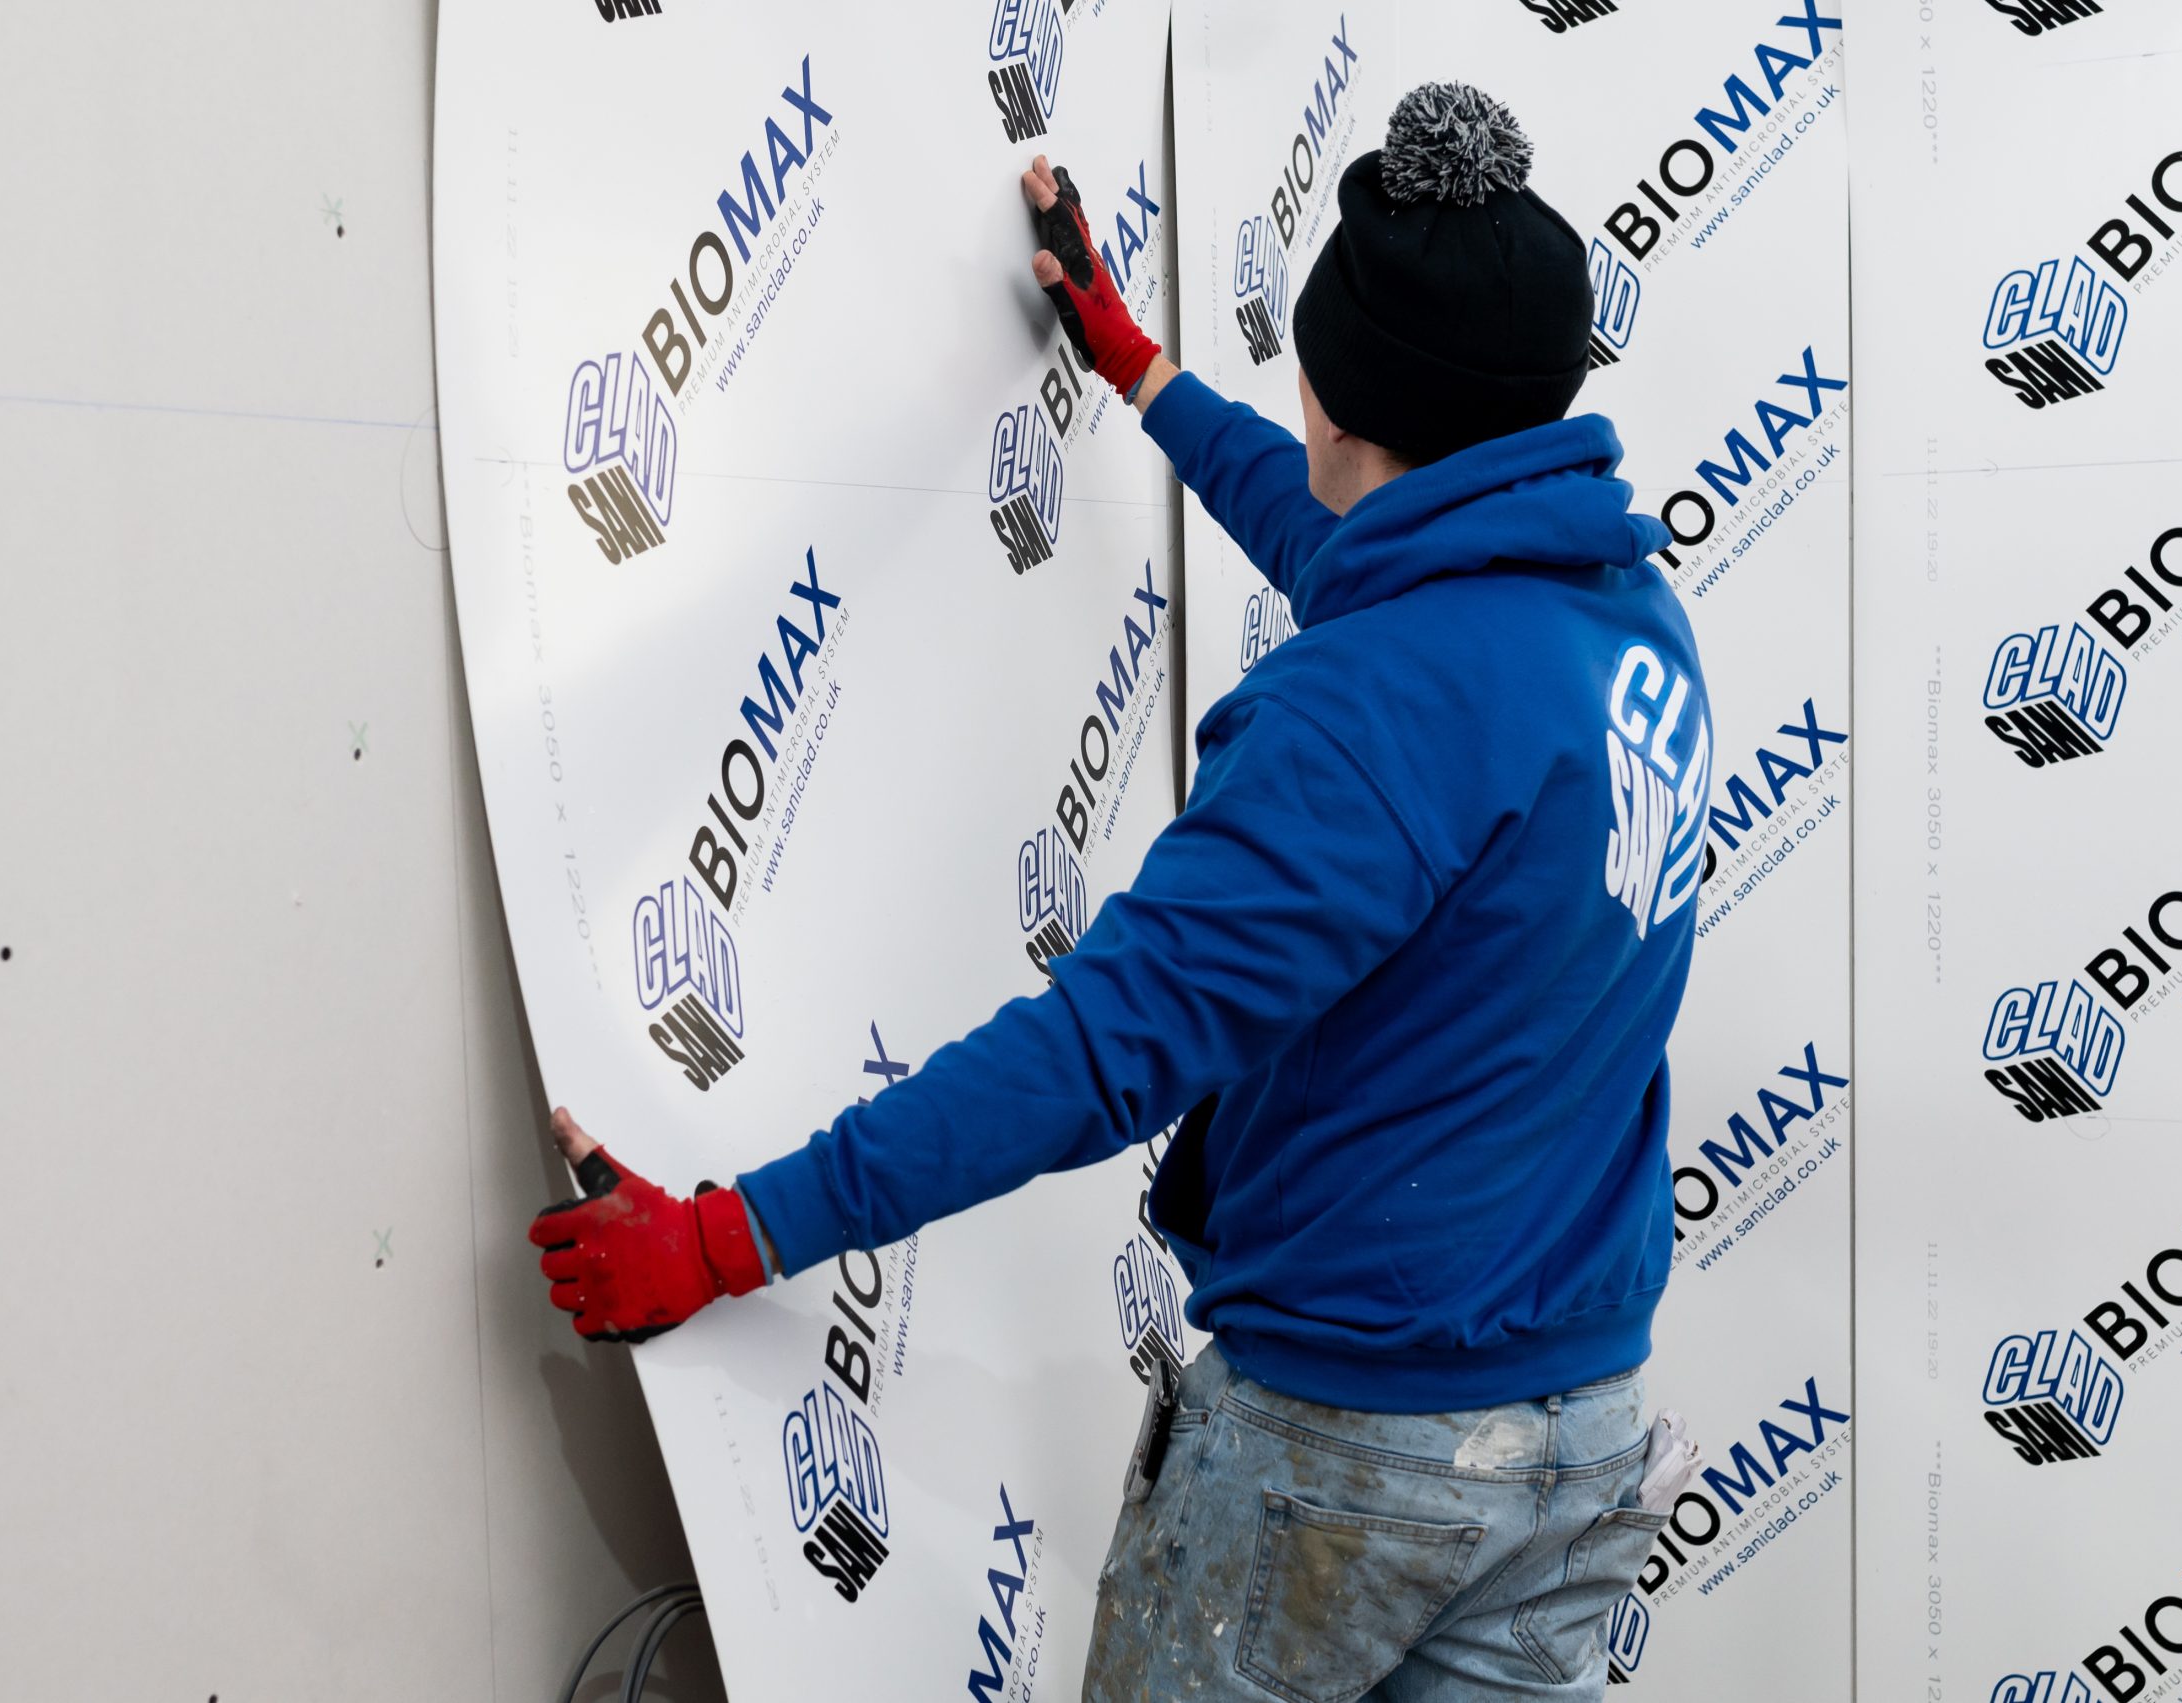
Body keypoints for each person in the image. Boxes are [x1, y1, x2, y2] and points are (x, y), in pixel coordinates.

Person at [529, 82, 1715, 1701]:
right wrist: (1139, 370)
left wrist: (727, 1242)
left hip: (1346, 1468)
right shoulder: (1623, 620)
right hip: (1580, 1446)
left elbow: (1089, 1062)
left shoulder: (1362, 720)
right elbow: (1347, 547)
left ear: (1331, 391)